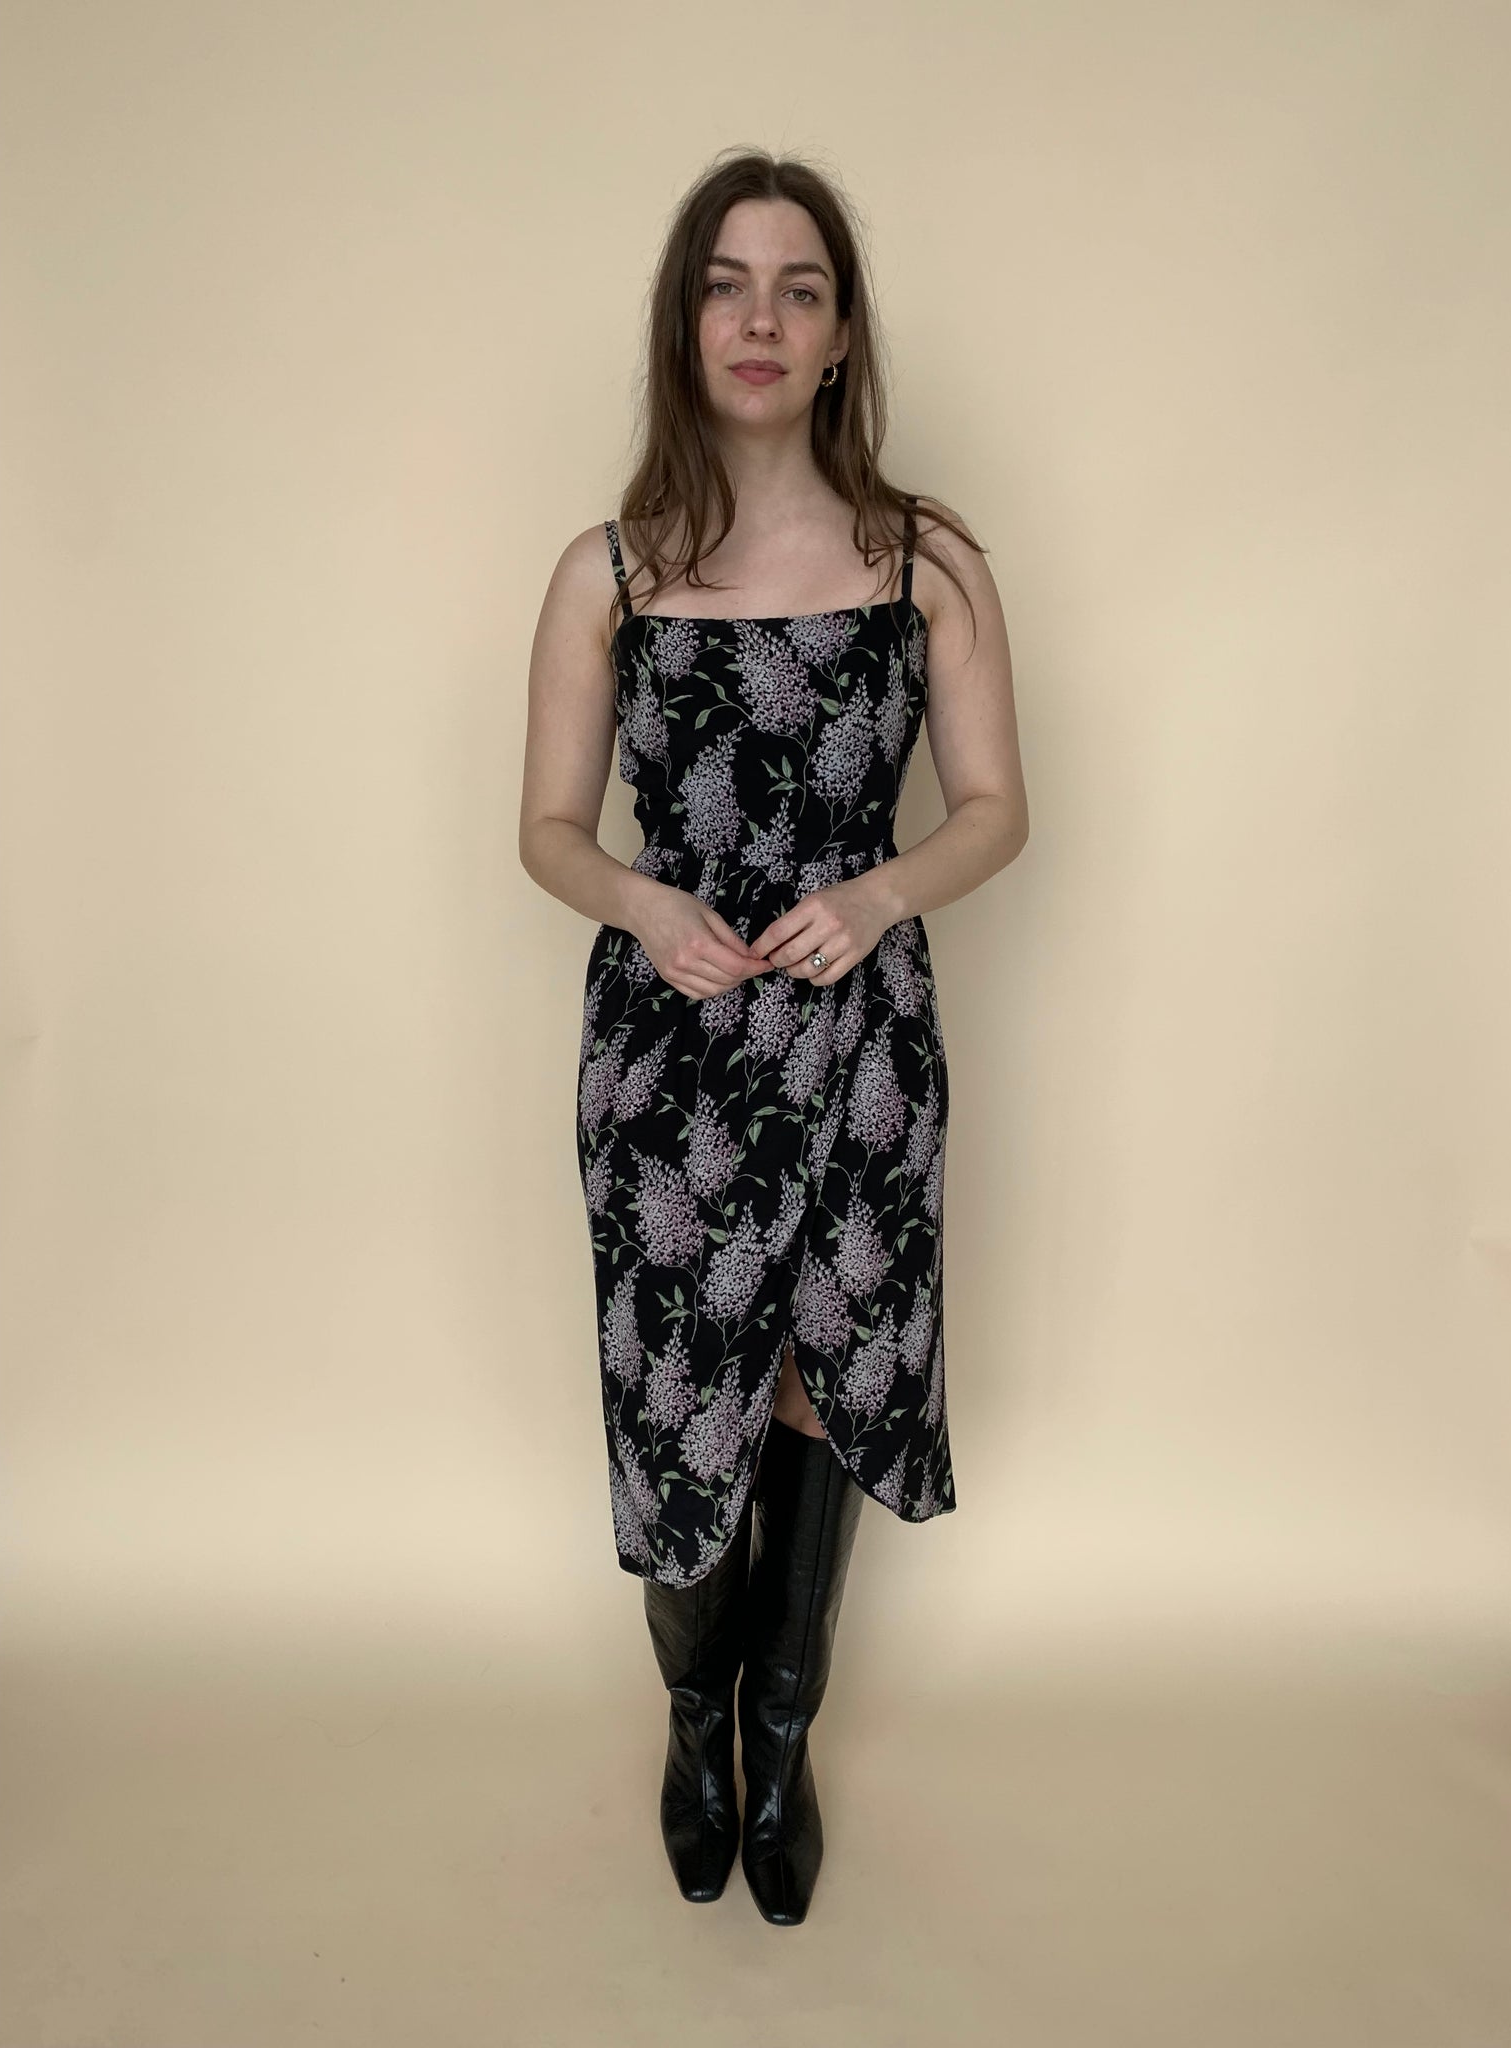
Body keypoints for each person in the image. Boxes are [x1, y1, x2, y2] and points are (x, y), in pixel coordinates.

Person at [519, 148, 1029, 1924]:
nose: (761, 317)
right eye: (728, 285)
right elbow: (548, 831)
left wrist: (879, 895)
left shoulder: (924, 558)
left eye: (799, 287)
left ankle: (783, 1725)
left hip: (864, 1040)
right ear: (687, 321)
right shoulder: (608, 569)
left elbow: (995, 809)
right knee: (683, 1402)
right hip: (670, 1057)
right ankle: (693, 1725)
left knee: (825, 1378)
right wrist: (645, 904)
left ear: (839, 334)